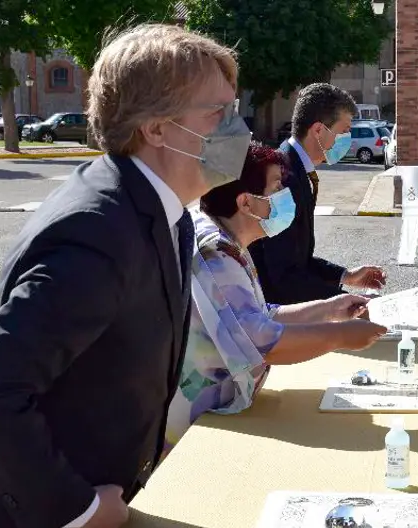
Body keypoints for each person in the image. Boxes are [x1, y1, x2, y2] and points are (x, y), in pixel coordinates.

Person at [0, 24, 248, 528]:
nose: (237, 127)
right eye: (218, 112)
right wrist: (75, 506)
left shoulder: (159, 205)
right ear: (157, 128)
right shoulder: (99, 233)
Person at [164, 144, 387, 455]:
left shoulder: (227, 240)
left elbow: (258, 315)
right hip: (197, 428)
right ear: (245, 202)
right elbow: (259, 340)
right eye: (277, 187)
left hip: (218, 413)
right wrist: (340, 336)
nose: (286, 195)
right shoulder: (215, 252)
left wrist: (330, 309)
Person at [248, 83, 385, 305]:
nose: (347, 140)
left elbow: (298, 261)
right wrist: (344, 302)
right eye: (344, 131)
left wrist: (346, 276)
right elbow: (282, 276)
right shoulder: (283, 179)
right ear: (318, 130)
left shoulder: (296, 168)